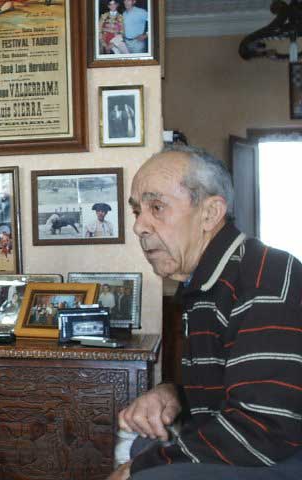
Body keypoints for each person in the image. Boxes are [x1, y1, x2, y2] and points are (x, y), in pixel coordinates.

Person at [109, 144, 302, 480]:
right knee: (142, 445)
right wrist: (172, 393)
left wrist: (138, 469)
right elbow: (229, 389)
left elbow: (262, 427)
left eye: (157, 207)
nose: (139, 226)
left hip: (283, 450)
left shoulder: (263, 277)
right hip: (260, 442)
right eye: (137, 211)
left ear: (211, 214)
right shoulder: (202, 284)